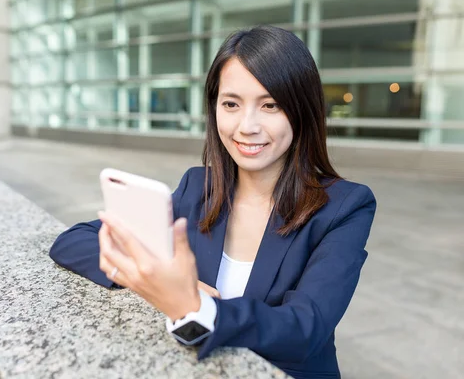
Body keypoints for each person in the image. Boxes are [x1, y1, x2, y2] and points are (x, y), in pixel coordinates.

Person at [50, 25, 376, 379]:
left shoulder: (344, 206)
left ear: (302, 111)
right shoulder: (197, 187)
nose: (247, 126)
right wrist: (153, 283)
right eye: (231, 104)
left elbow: (305, 329)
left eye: (270, 105)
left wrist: (194, 306)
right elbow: (73, 242)